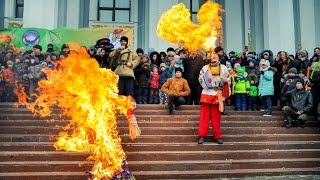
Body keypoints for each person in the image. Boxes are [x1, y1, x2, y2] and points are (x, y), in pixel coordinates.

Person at [197, 54, 230, 145]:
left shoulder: (223, 68)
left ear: (219, 59)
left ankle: (218, 136)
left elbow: (228, 79)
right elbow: (200, 79)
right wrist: (211, 84)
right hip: (206, 93)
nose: (213, 61)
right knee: (204, 117)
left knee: (216, 118)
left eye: (215, 60)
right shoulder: (205, 68)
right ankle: (201, 136)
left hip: (217, 94)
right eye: (212, 60)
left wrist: (224, 81)